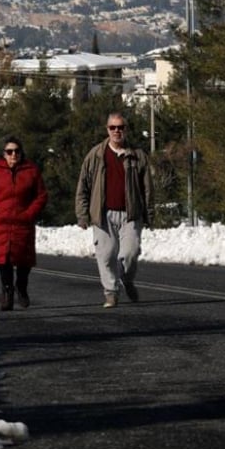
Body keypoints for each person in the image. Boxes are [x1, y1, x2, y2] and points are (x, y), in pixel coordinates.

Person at [75, 112, 153, 308]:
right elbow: (83, 185)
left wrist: (149, 213)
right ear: (107, 130)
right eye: (113, 127)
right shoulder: (96, 155)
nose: (117, 131)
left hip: (131, 213)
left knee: (130, 253)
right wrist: (82, 214)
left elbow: (148, 188)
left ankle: (126, 279)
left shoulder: (138, 155)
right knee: (106, 254)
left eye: (121, 127)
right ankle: (111, 292)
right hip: (103, 214)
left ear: (126, 130)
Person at [0, 136, 48, 311]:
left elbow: (41, 195)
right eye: (9, 151)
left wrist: (30, 213)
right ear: (4, 154)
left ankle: (21, 287)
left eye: (16, 151)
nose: (13, 154)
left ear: (21, 153)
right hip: (0, 223)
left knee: (24, 260)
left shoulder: (31, 171)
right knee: (5, 259)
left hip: (23, 223)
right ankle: (7, 292)